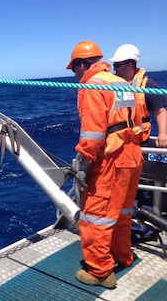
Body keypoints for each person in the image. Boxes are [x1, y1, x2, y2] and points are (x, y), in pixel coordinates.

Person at [67, 41, 144, 288]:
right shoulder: (122, 82)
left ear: (80, 64)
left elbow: (93, 133)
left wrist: (84, 162)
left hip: (111, 159)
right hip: (133, 155)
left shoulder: (92, 86)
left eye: (73, 69)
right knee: (122, 213)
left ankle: (100, 272)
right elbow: (141, 121)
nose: (74, 75)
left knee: (95, 218)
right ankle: (123, 256)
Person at [109, 44, 167, 148]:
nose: (114, 69)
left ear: (130, 65)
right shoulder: (110, 85)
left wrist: (163, 134)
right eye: (114, 65)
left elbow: (160, 111)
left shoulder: (147, 85)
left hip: (140, 142)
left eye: (117, 65)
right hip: (116, 143)